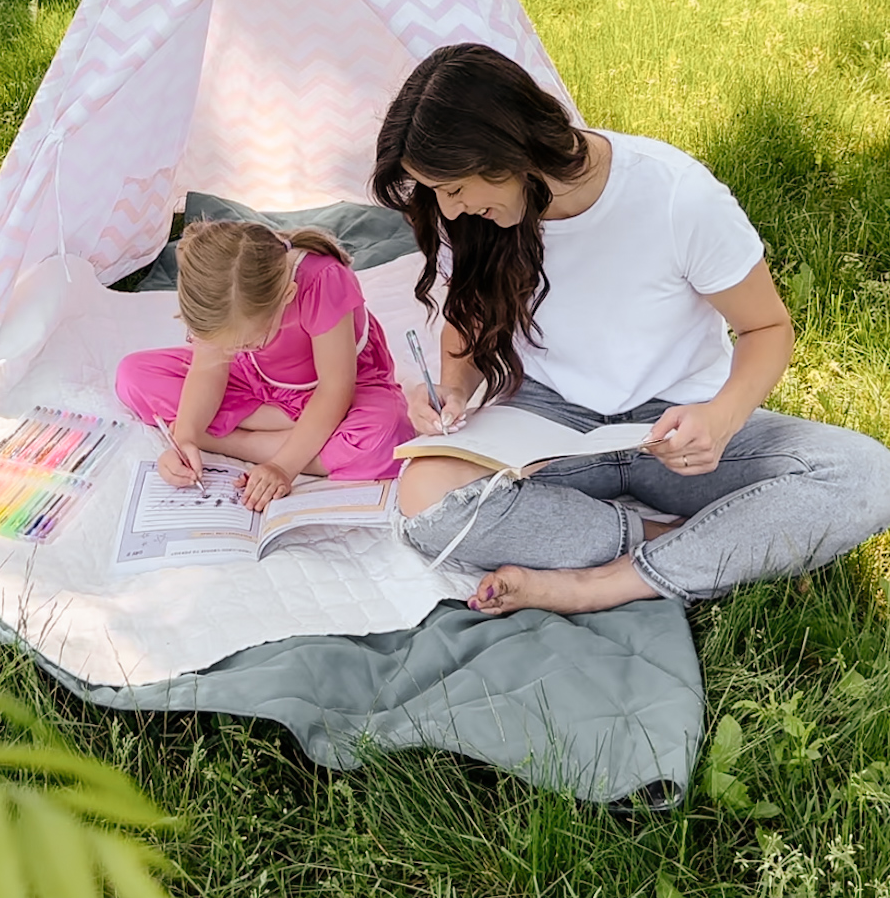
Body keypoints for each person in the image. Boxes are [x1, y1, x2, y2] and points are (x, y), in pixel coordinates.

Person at [371, 42, 890, 614]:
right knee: (426, 495)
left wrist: (719, 420)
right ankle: (669, 543)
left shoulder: (675, 196)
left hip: (675, 428)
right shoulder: (477, 219)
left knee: (865, 475)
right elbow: (467, 324)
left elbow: (767, 327)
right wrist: (453, 391)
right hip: (554, 429)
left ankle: (599, 585)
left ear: (509, 153)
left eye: (454, 188)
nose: (447, 210)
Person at [115, 220, 410, 511]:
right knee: (133, 376)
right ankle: (296, 426)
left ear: (287, 297)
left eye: (246, 342)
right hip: (256, 378)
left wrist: (283, 466)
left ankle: (228, 439)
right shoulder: (220, 295)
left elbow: (335, 390)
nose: (232, 350)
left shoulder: (324, 280)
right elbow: (208, 369)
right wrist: (186, 439)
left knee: (387, 439)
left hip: (334, 387)